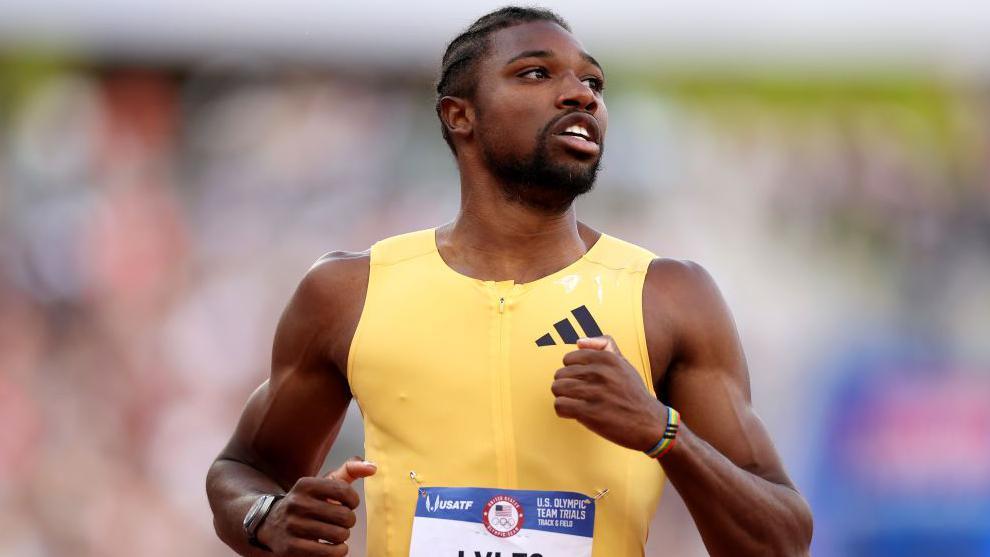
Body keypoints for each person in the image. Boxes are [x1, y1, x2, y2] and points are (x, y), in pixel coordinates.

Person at [206, 6, 813, 557]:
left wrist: (662, 432)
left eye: (593, 83)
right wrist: (269, 517)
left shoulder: (669, 298)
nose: (579, 95)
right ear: (459, 115)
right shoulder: (350, 291)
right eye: (535, 74)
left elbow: (781, 541)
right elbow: (243, 468)